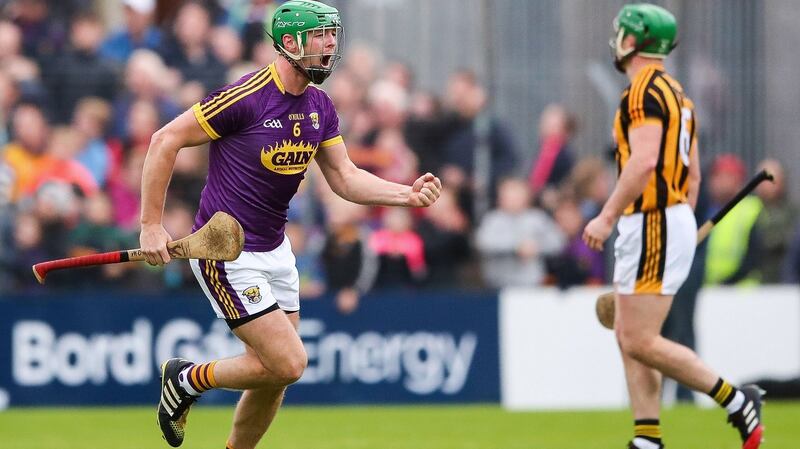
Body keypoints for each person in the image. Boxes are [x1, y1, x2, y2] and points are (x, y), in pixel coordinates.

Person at [138, 2, 442, 448]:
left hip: (277, 252)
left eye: (333, 35)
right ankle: (185, 379)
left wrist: (406, 194)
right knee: (289, 363)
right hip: (227, 251)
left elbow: (344, 177)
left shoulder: (320, 105)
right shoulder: (245, 97)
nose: (332, 45)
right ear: (291, 42)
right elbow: (165, 140)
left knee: (273, 377)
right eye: (321, 36)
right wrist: (151, 224)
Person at [581, 5, 764, 449]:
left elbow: (644, 162)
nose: (616, 39)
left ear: (634, 41)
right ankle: (647, 437)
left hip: (652, 221)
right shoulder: (677, 95)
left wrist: (607, 216)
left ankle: (736, 399)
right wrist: (679, 220)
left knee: (639, 338)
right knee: (630, 335)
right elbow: (695, 175)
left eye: (621, 33)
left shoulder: (642, 92)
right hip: (664, 218)